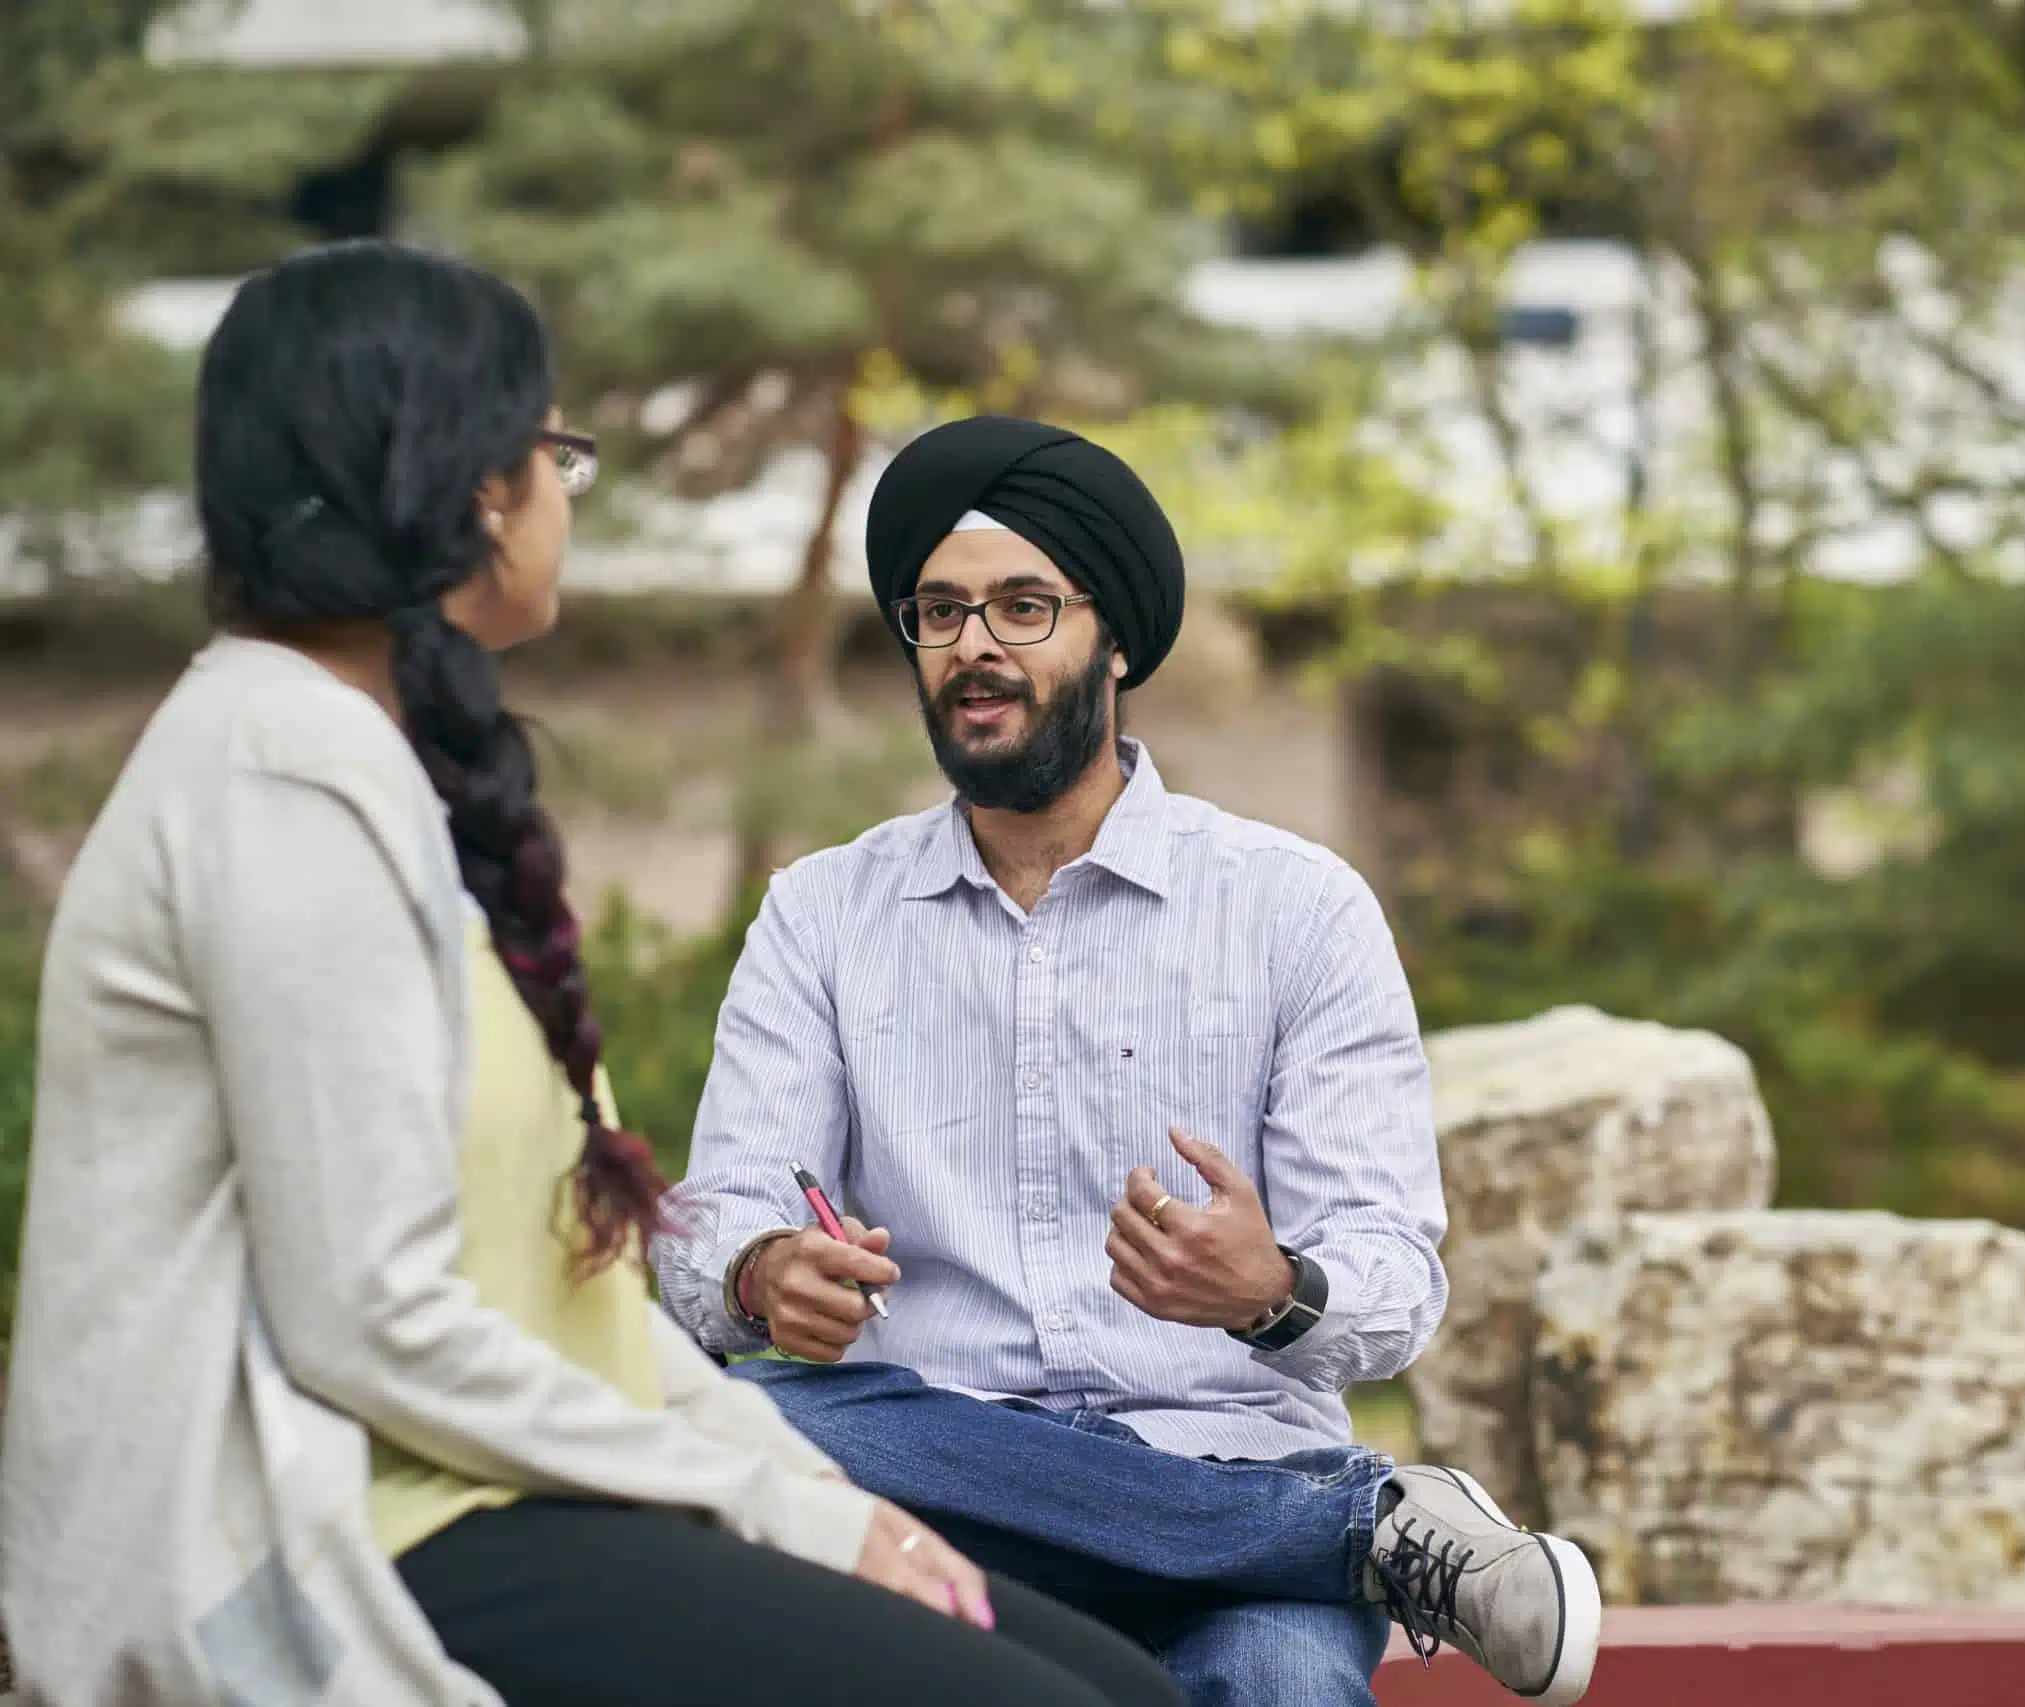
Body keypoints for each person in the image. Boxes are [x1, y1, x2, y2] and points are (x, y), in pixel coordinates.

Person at [0, 243, 1181, 1707]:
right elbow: (368, 1322)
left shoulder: (384, 778)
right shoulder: (275, 774)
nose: (566, 488)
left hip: (497, 1481)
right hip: (344, 1529)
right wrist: (787, 1512)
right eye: (554, 449)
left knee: (1124, 1687)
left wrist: (817, 1500)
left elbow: (594, 1313)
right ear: (466, 484)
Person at [654, 415, 1604, 1707]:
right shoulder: (820, 915)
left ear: (1115, 640)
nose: (973, 644)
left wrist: (1271, 1288)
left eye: (1022, 605)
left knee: (1279, 1684)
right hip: (940, 1497)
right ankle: (1365, 1533)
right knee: (737, 1416)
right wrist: (764, 1271)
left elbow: (1394, 1280)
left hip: (1224, 1467)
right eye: (938, 612)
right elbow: (711, 1216)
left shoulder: (1298, 908)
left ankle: (1287, 1537)